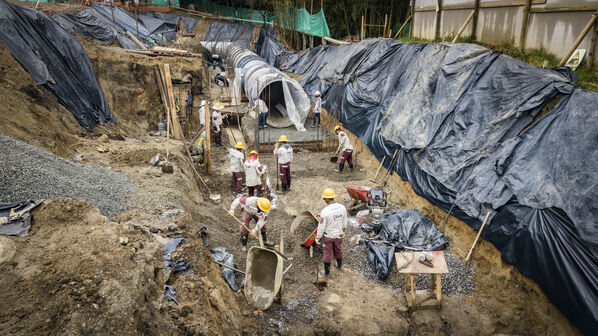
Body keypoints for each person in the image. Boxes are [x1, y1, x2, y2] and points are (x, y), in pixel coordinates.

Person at [315, 188, 347, 277]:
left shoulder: (325, 211)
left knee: (327, 253)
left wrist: (318, 237)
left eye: (324, 198)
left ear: (327, 199)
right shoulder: (342, 208)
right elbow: (344, 222)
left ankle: (327, 272)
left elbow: (321, 226)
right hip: (339, 235)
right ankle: (339, 265)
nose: (324, 199)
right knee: (338, 249)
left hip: (328, 236)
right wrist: (343, 231)